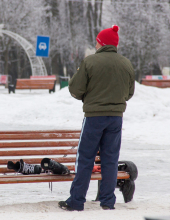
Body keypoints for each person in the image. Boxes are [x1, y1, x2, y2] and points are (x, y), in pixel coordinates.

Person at [58, 25, 135, 211]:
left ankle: (76, 201)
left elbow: (75, 89)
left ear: (101, 43)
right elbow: (129, 93)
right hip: (116, 119)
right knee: (110, 159)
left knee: (85, 158)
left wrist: (87, 97)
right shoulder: (126, 64)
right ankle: (108, 202)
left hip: (94, 117)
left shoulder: (90, 62)